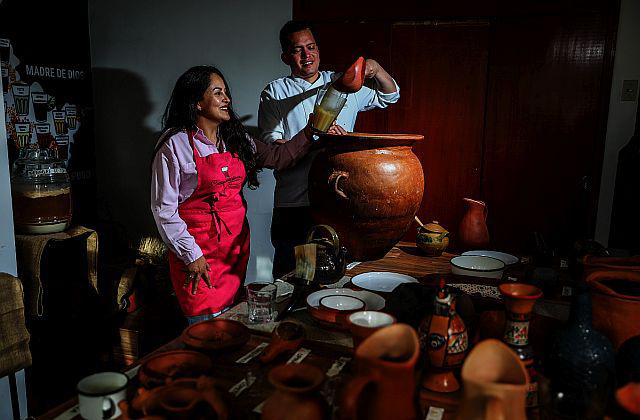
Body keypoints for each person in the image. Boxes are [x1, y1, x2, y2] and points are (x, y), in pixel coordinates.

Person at [151, 65, 340, 324]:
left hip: (234, 250)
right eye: (218, 93)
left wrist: (310, 131)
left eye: (226, 92)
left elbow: (279, 157)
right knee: (205, 326)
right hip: (198, 254)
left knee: (230, 319)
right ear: (197, 102)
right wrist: (192, 256)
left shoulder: (236, 139)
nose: (227, 99)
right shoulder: (175, 145)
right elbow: (164, 209)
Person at [259, 20, 401, 278]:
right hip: (296, 204)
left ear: (318, 49)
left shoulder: (342, 84)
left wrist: (377, 69)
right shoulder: (275, 92)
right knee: (297, 274)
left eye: (311, 47)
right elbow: (273, 150)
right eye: (297, 50)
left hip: (337, 201)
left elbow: (389, 95)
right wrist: (319, 139)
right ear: (285, 57)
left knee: (334, 273)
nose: (306, 55)